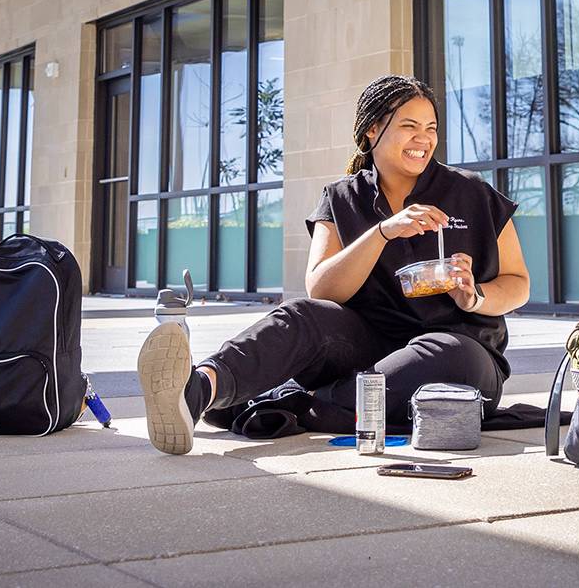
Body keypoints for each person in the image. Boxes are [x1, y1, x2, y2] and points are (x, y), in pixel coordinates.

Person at [136, 75, 531, 455]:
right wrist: (382, 233)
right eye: (410, 126)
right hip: (366, 347)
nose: (423, 139)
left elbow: (518, 283)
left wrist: (474, 298)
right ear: (372, 130)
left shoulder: (473, 193)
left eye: (431, 127)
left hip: (457, 350)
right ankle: (198, 392)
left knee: (451, 356)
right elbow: (322, 291)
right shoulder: (341, 198)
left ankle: (287, 401)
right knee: (302, 315)